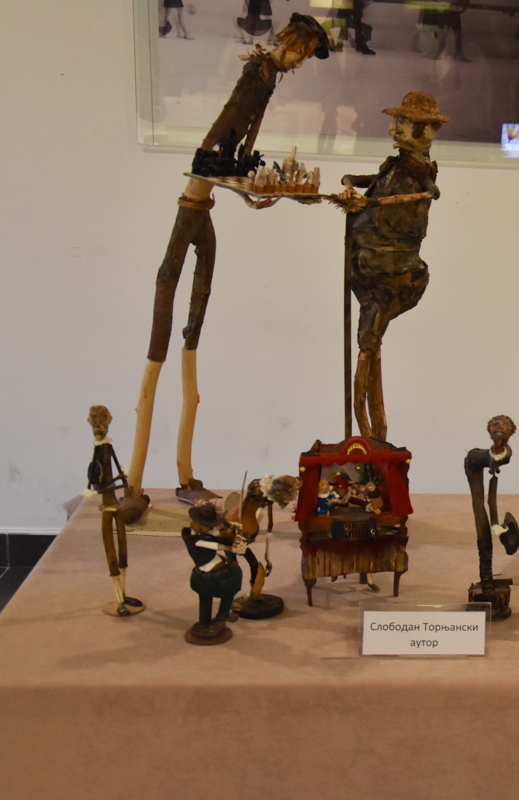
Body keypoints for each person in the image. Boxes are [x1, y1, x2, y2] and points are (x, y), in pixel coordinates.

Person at [129, 14, 330, 506]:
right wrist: (215, 156)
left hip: (203, 203)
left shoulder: (268, 74)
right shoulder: (258, 73)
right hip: (197, 196)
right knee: (168, 297)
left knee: (195, 319)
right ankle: (133, 481)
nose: (301, 61)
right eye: (302, 51)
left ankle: (185, 474)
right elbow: (231, 119)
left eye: (305, 56)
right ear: (291, 42)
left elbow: (242, 128)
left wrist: (238, 165)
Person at [338, 92, 451, 440]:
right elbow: (377, 186)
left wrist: (367, 203)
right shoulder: (398, 166)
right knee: (368, 347)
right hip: (366, 266)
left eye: (404, 124)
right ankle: (371, 436)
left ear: (429, 130)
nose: (394, 129)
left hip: (389, 271)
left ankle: (372, 436)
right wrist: (352, 183)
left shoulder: (418, 171)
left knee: (367, 347)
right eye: (397, 122)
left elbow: (427, 193)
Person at [84, 406, 143, 618]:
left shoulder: (107, 447)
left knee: (123, 549)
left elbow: (116, 466)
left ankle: (123, 594)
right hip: (107, 507)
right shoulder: (100, 449)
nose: (98, 423)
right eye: (94, 418)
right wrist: (92, 487)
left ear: (109, 419)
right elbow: (94, 473)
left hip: (115, 505)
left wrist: (123, 478)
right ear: (89, 421)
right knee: (111, 550)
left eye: (102, 418)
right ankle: (119, 599)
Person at [464, 415, 519, 614]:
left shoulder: (507, 453)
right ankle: (486, 579)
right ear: (489, 431)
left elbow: (503, 455)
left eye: (505, 429)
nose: (499, 428)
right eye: (495, 426)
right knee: (482, 525)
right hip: (475, 476)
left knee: (488, 526)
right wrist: (495, 450)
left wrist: (499, 449)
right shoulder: (475, 456)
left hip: (486, 462)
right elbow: (480, 457)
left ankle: (487, 578)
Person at [181, 504, 246, 644]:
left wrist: (231, 530)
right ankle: (221, 615)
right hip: (212, 574)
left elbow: (215, 534)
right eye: (206, 526)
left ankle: (207, 621)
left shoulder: (192, 533)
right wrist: (235, 549)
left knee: (206, 600)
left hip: (205, 572)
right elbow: (217, 545)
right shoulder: (198, 540)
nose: (209, 529)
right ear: (196, 523)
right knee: (233, 580)